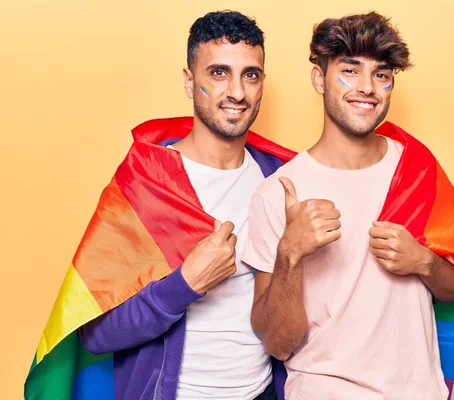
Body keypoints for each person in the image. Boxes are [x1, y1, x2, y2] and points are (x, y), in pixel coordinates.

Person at [25, 10, 294, 400]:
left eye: (250, 75)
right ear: (190, 81)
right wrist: (184, 285)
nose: (237, 91)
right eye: (218, 73)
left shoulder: (280, 179)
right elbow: (97, 334)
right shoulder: (147, 182)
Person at [242, 12, 454, 399]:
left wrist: (423, 262)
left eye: (381, 75)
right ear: (319, 78)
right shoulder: (278, 192)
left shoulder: (415, 169)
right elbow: (278, 343)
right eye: (350, 70)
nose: (367, 88)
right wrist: (290, 254)